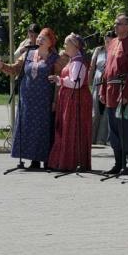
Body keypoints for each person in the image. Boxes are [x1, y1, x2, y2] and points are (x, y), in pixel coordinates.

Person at [0, 27, 65, 169]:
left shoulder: (55, 59)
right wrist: (2, 66)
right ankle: (33, 160)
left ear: (50, 42)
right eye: (39, 37)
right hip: (28, 100)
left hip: (44, 100)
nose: (39, 39)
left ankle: (47, 160)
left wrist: (55, 100)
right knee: (29, 128)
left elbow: (58, 82)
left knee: (44, 129)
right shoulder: (28, 54)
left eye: (43, 38)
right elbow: (15, 69)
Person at [99, 13, 128, 175]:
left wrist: (126, 93)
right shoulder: (111, 43)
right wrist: (102, 90)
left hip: (125, 93)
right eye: (115, 23)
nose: (115, 26)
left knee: (127, 130)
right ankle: (118, 163)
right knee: (114, 131)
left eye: (119, 23)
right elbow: (107, 69)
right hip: (111, 93)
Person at [47, 33, 93, 171]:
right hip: (70, 98)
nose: (65, 46)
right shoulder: (73, 60)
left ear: (75, 46)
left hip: (77, 99)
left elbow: (76, 83)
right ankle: (66, 161)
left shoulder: (78, 62)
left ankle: (72, 162)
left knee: (73, 129)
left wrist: (59, 80)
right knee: (67, 129)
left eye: (67, 44)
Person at [89, 30, 114, 145]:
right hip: (97, 80)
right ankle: (92, 137)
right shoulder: (99, 50)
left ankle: (102, 138)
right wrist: (88, 83)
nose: (107, 42)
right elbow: (92, 67)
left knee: (106, 110)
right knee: (95, 109)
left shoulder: (115, 51)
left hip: (109, 81)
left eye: (109, 40)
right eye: (106, 40)